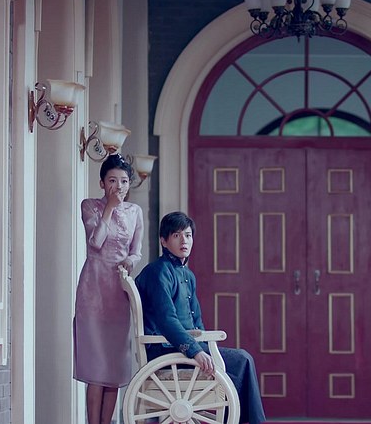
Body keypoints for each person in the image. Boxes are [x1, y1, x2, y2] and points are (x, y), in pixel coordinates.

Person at [135, 211, 266, 424]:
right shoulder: (158, 272)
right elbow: (167, 320)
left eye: (187, 235)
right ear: (163, 241)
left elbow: (197, 322)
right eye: (176, 235)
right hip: (166, 349)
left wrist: (205, 346)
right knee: (242, 359)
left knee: (239, 363)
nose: (184, 241)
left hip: (182, 348)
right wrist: (196, 351)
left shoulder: (187, 274)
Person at [73, 154, 144, 424]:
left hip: (118, 293)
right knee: (96, 369)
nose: (119, 186)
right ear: (102, 183)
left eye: (124, 181)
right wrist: (110, 209)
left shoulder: (135, 212)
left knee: (113, 370)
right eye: (112, 180)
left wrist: (130, 261)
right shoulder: (89, 206)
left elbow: (136, 251)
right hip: (93, 292)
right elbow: (95, 242)